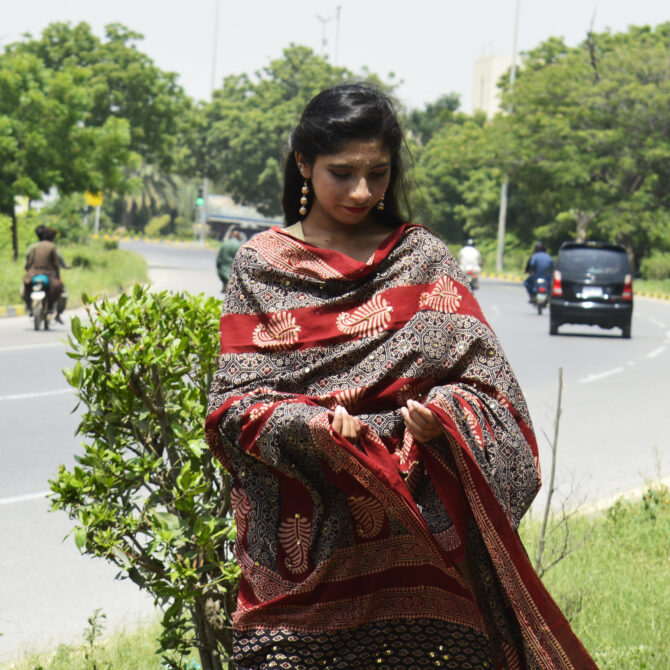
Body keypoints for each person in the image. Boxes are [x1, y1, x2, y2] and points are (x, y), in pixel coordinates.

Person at [206, 83, 596, 669]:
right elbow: (233, 405)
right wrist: (315, 428)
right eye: (342, 173)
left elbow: (490, 389)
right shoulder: (261, 264)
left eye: (379, 172)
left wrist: (445, 418)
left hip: (425, 557)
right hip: (308, 558)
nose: (363, 191)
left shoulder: (422, 259)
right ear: (304, 165)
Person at [23, 226, 68, 324]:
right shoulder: (52, 247)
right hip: (48, 274)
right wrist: (58, 276)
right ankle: (53, 309)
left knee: (25, 287)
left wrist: (28, 271)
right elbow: (57, 263)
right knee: (60, 289)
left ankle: (29, 307)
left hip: (33, 273)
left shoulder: (33, 246)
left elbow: (28, 262)